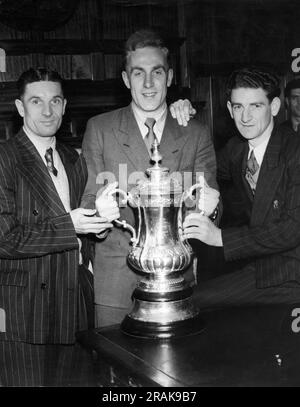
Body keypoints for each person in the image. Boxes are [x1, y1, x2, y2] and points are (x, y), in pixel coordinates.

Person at [81, 29, 220, 327]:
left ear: (169, 77)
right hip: (115, 284)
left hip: (175, 281)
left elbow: (212, 204)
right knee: (112, 370)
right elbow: (89, 202)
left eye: (156, 72)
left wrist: (212, 208)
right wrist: (99, 215)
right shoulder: (100, 129)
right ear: (125, 79)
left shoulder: (195, 132)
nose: (147, 84)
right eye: (138, 73)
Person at [0, 67, 119, 386]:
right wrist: (71, 225)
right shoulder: (5, 159)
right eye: (36, 101)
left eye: (55, 101)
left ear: (65, 106)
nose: (48, 110)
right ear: (20, 108)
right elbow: (5, 240)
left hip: (75, 305)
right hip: (26, 311)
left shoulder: (72, 158)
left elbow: (85, 229)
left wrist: (101, 222)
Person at [183, 67, 300, 307]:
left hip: (293, 271)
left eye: (255, 106)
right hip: (263, 266)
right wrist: (181, 121)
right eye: (238, 107)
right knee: (187, 301)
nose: (245, 117)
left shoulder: (294, 150)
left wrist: (220, 238)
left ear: (275, 107)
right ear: (229, 109)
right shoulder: (236, 150)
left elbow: (292, 229)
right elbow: (200, 170)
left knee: (195, 306)